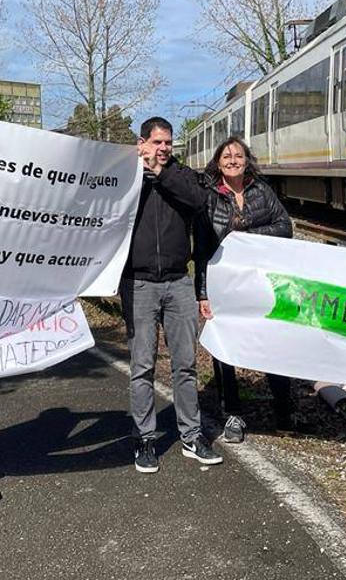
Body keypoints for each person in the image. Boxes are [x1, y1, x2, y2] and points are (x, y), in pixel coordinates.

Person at [123, 116, 222, 474]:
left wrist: (162, 173)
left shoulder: (181, 174)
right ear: (141, 142)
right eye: (157, 142)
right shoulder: (126, 176)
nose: (163, 148)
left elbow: (199, 201)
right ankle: (144, 439)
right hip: (139, 283)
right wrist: (141, 171)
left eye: (168, 143)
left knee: (185, 364)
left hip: (179, 281)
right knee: (142, 366)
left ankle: (191, 435)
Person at [194, 136, 296, 443]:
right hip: (224, 283)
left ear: (246, 159)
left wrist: (246, 231)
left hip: (261, 282)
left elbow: (284, 226)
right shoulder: (209, 196)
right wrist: (203, 293)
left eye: (238, 155)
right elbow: (201, 247)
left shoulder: (261, 191)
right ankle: (233, 415)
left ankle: (284, 410)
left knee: (272, 342)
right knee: (225, 348)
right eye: (226, 156)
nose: (233, 160)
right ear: (218, 162)